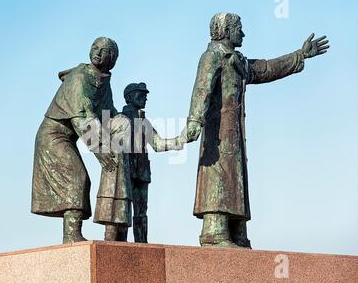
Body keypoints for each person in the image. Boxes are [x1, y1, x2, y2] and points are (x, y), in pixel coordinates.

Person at [184, 13, 329, 248]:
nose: (243, 33)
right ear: (226, 30)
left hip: (234, 131)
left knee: (235, 177)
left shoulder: (238, 61)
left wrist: (300, 55)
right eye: (239, 28)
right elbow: (202, 89)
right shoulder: (212, 56)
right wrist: (194, 120)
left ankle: (236, 229)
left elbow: (265, 68)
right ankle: (214, 230)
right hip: (217, 131)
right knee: (219, 174)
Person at [31, 37, 133, 244]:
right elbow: (81, 118)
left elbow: (107, 114)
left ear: (112, 58)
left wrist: (124, 122)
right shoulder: (79, 77)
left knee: (81, 177)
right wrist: (99, 150)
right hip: (53, 136)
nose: (97, 52)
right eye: (95, 48)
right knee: (78, 177)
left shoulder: (103, 80)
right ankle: (71, 235)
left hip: (71, 137)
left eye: (104, 51)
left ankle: (79, 232)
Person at [113, 82, 184, 243]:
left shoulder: (144, 121)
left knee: (141, 211)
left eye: (145, 95)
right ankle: (118, 245)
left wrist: (181, 140)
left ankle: (142, 244)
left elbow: (157, 144)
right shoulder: (119, 118)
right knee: (122, 208)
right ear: (129, 98)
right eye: (141, 95)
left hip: (142, 172)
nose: (145, 98)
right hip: (124, 170)